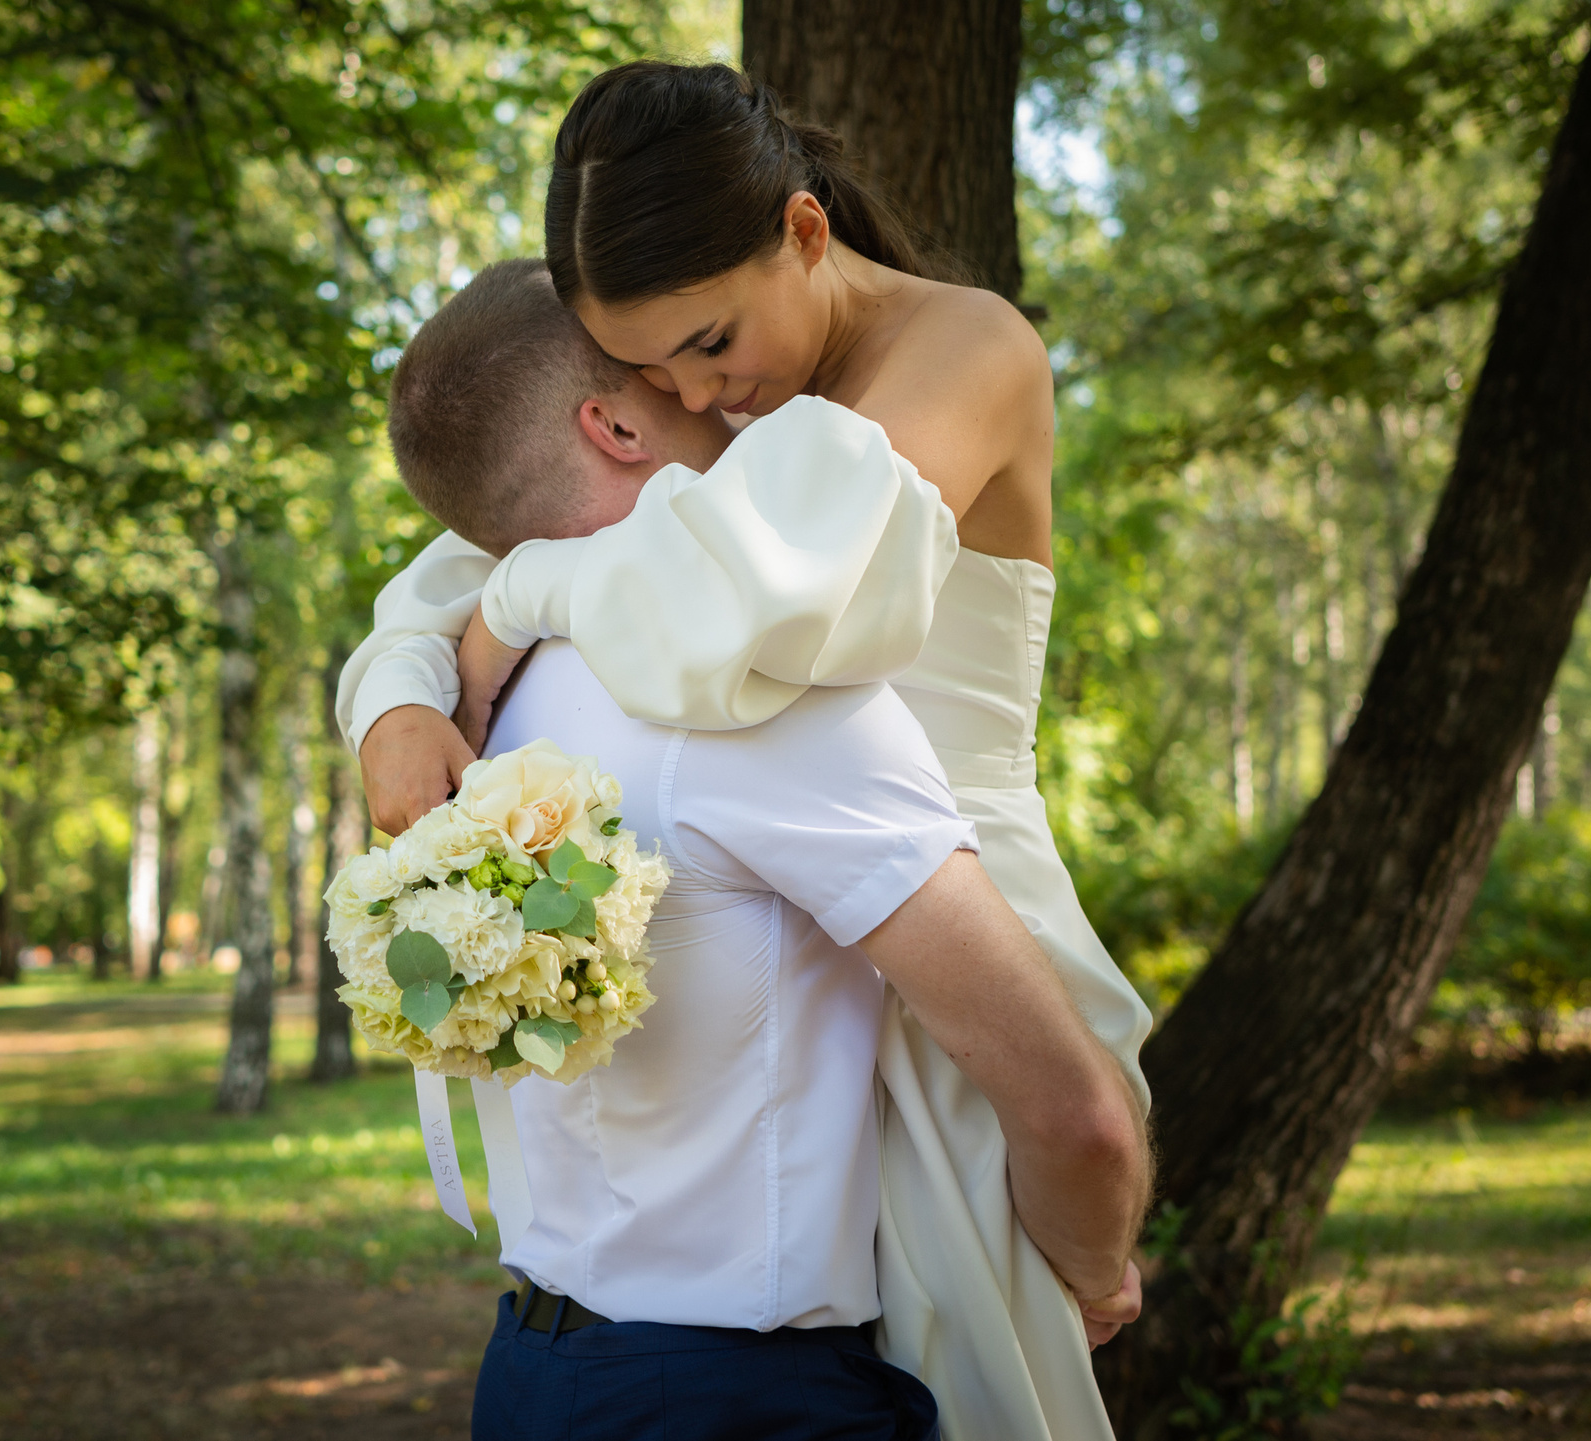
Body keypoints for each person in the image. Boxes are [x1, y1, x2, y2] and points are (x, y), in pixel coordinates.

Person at [340, 61, 1155, 1440]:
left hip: (948, 938)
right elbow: (487, 524)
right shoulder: (717, 401)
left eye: (708, 346)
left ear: (806, 231)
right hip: (801, 946)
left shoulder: (963, 352)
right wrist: (397, 697)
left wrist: (521, 595)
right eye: (647, 373)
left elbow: (752, 608)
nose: (696, 399)